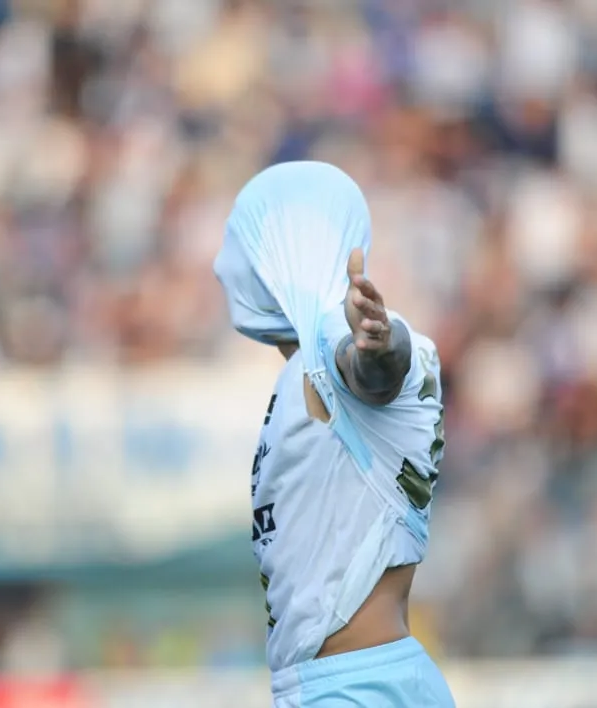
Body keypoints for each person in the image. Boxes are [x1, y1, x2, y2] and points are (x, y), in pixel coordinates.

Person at [214, 161, 455, 707]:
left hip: (348, 688)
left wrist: (376, 341)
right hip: (385, 680)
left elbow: (375, 368)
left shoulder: (330, 340)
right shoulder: (301, 366)